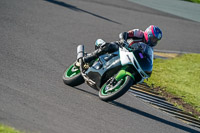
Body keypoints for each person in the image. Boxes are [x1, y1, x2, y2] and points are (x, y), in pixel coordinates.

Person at [83, 25, 162, 63]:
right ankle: (89, 57)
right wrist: (123, 40)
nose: (154, 41)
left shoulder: (148, 48)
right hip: (122, 47)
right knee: (109, 47)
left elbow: (142, 56)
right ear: (148, 34)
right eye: (153, 38)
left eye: (156, 40)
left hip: (130, 56)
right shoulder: (139, 33)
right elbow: (124, 33)